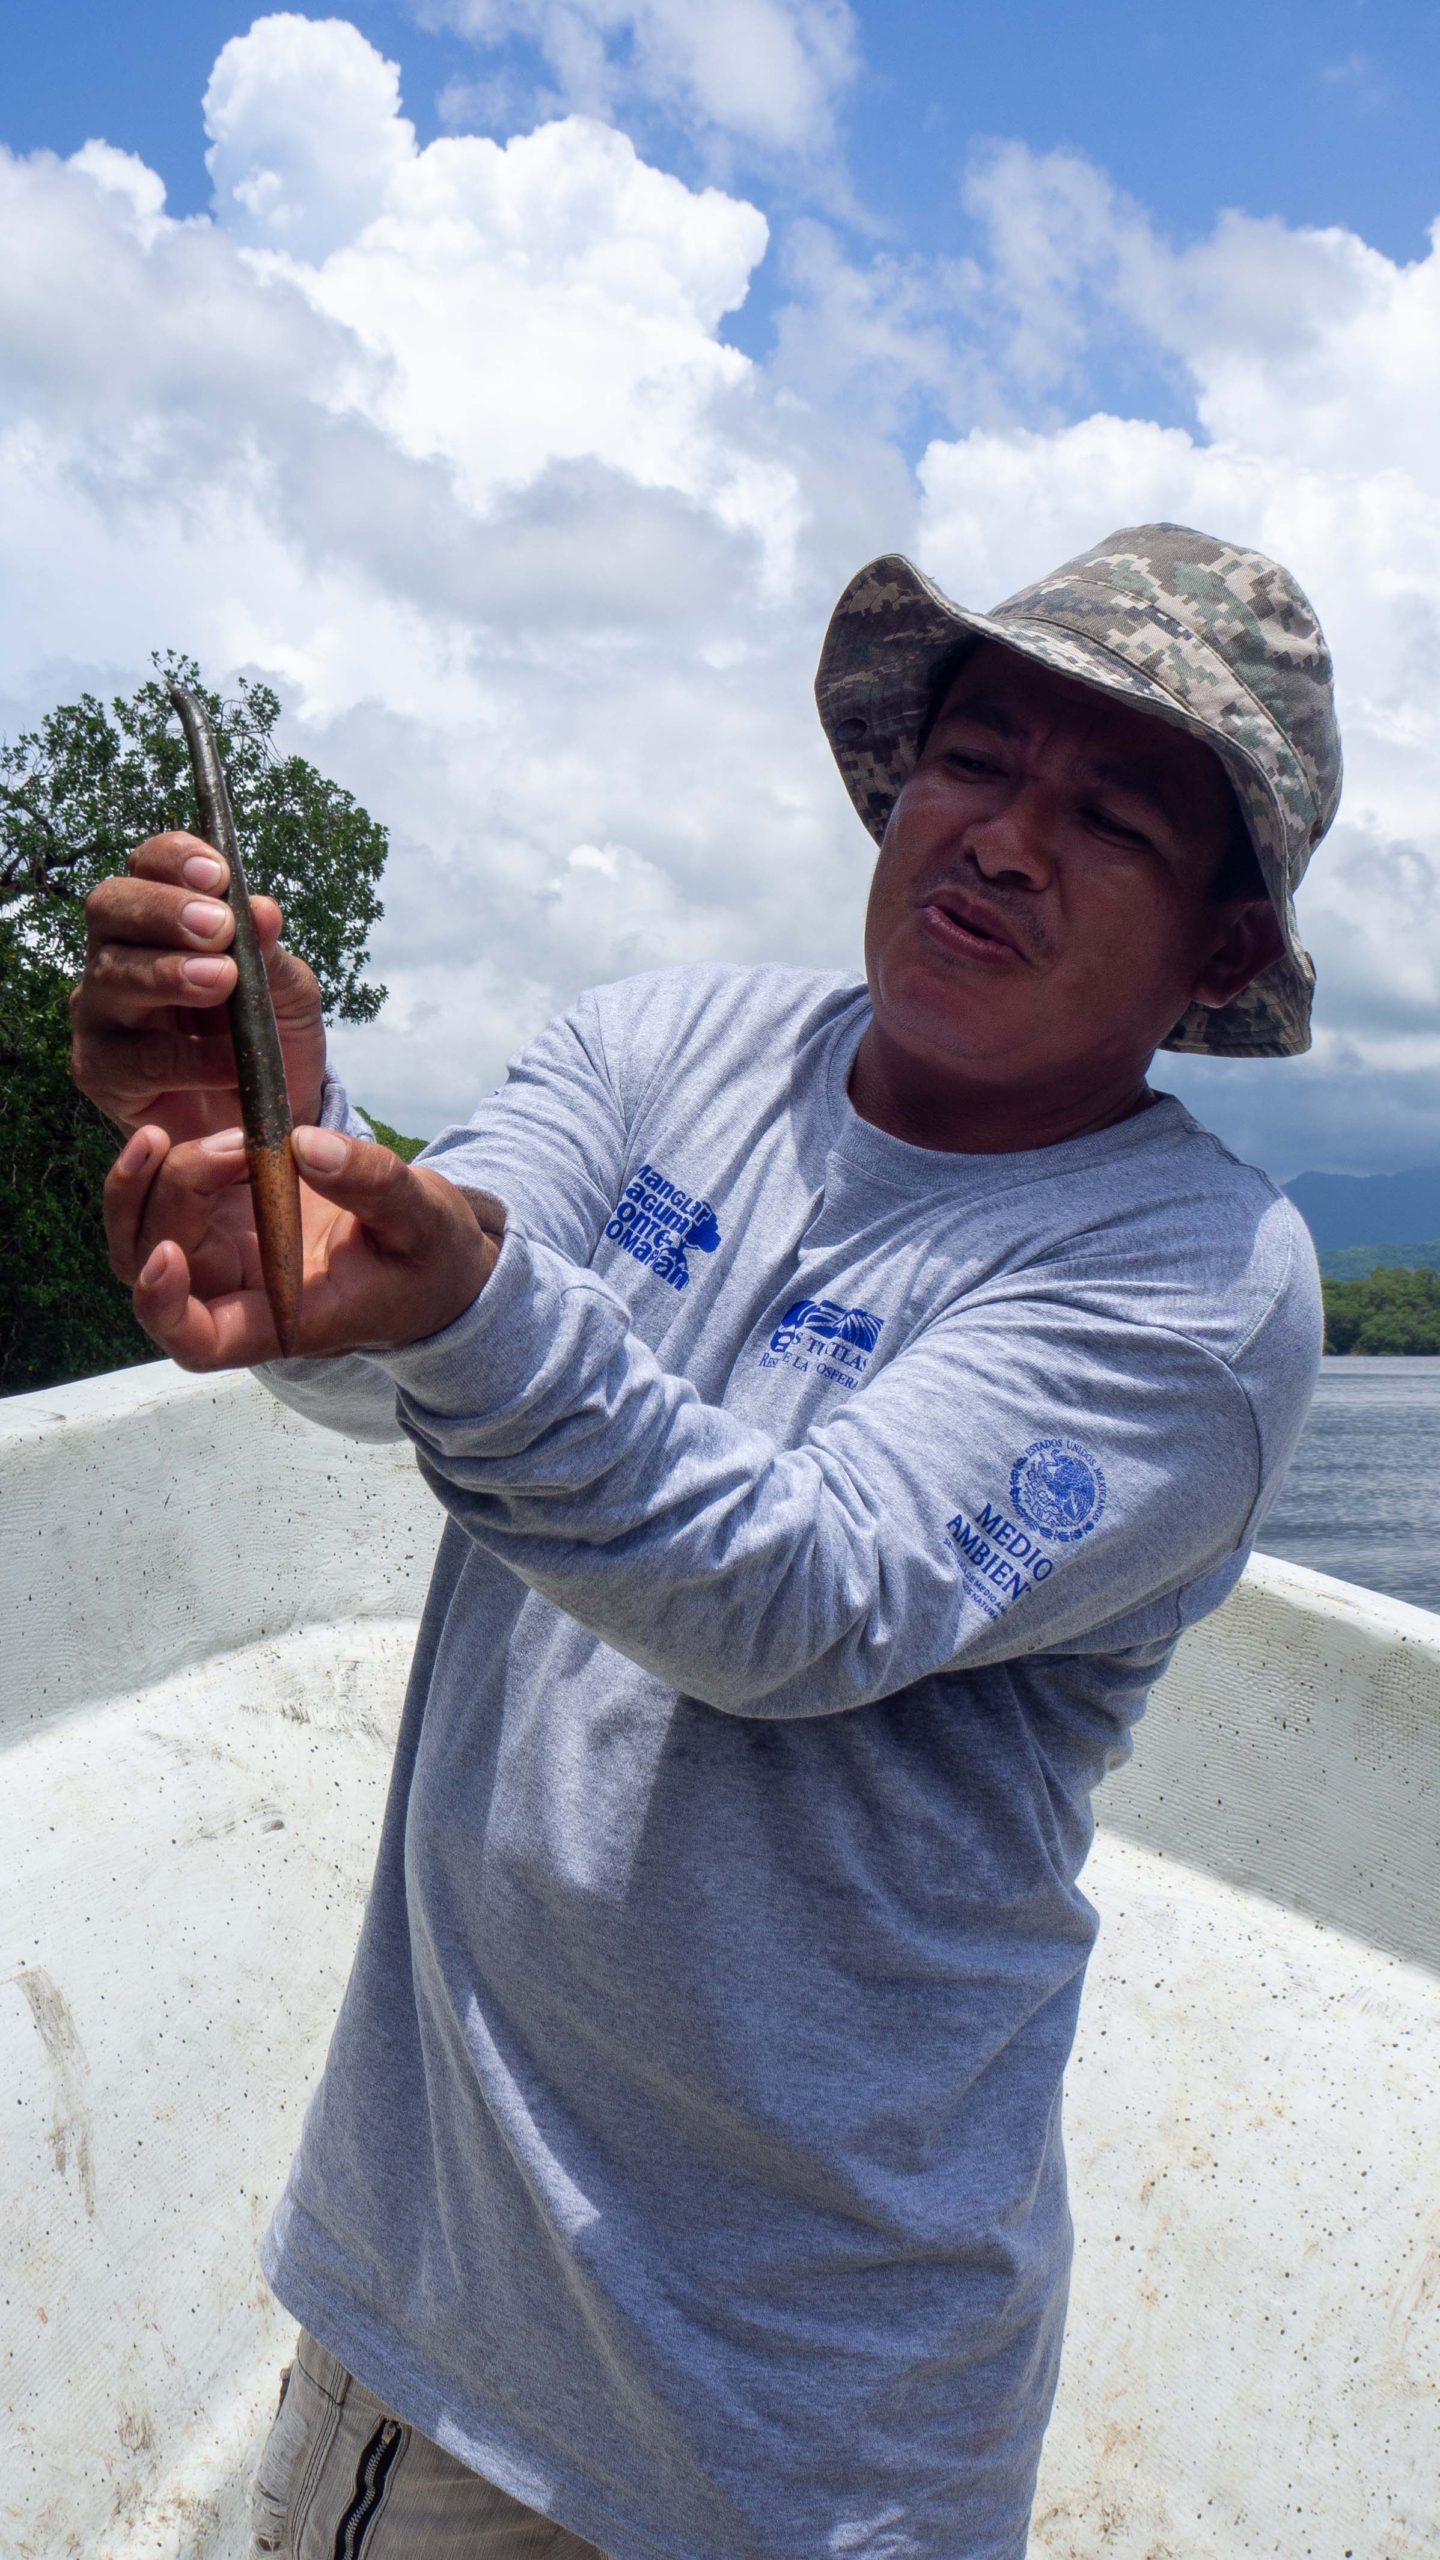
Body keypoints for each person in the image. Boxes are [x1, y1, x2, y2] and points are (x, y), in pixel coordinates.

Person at [72, 523, 1341, 2560]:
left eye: (1112, 818)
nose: (1008, 839)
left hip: (823, 2420)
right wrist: (290, 1173)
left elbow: (800, 1593)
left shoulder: (1194, 1281)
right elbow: (418, 1323)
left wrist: (447, 1297)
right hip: (463, 2311)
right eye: (975, 758)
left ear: (1220, 950)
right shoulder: (662, 1045)